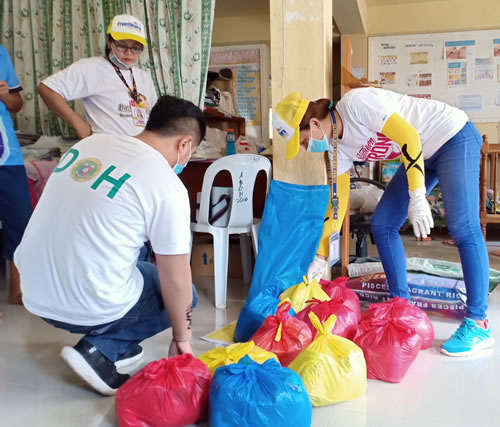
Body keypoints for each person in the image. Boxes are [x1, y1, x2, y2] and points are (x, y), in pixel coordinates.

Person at [273, 88, 494, 357]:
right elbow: (337, 203)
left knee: (463, 227)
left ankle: (478, 322)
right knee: (383, 224)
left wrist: (417, 195)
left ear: (315, 123)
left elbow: (410, 137)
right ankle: (402, 305)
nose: (308, 148)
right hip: (423, 153)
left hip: (451, 136)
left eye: (306, 141)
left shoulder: (357, 104)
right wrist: (321, 255)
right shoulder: (335, 150)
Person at [14, 95, 205, 395]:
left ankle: (122, 342)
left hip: (33, 289)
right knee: (186, 296)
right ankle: (99, 350)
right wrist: (183, 338)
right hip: (82, 301)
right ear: (184, 145)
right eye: (190, 152)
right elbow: (176, 279)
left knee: (137, 247)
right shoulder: (167, 186)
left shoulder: (88, 145)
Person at [38, 14, 157, 139]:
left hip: (142, 149)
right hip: (108, 150)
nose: (129, 52)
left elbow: (154, 116)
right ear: (109, 42)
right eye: (122, 45)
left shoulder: (144, 77)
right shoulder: (91, 68)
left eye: (135, 48)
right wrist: (78, 124)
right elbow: (47, 89)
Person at [0, 44, 33, 305]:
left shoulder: (0, 53)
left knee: (21, 221)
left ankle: (17, 292)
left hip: (6, 155)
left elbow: (16, 103)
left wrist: (5, 95)